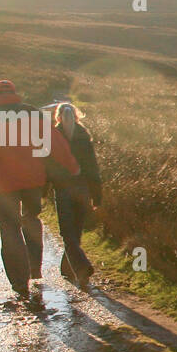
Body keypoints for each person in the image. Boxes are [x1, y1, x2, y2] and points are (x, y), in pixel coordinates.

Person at [0, 80, 79, 297]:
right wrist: (71, 166)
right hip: (33, 180)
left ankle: (19, 281)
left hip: (5, 182)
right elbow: (56, 143)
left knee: (9, 230)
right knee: (31, 219)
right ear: (14, 93)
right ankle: (35, 268)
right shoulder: (33, 114)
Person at [49, 103, 102, 288]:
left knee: (67, 232)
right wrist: (97, 194)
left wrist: (43, 189)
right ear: (77, 117)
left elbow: (47, 165)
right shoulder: (84, 135)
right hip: (83, 188)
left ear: (57, 117)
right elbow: (92, 166)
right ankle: (67, 268)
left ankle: (81, 267)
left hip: (63, 189)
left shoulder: (53, 136)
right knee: (76, 230)